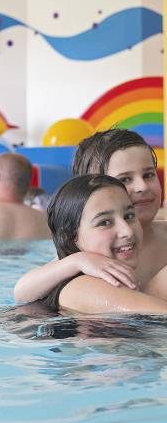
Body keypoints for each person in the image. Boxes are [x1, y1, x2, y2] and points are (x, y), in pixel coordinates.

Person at [14, 129, 167, 302]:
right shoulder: (89, 251)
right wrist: (77, 261)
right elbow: (22, 293)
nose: (143, 187)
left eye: (148, 175)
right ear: (91, 188)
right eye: (124, 180)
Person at [40, 174, 167, 314]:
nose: (127, 231)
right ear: (70, 237)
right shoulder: (84, 288)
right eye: (105, 222)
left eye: (129, 216)